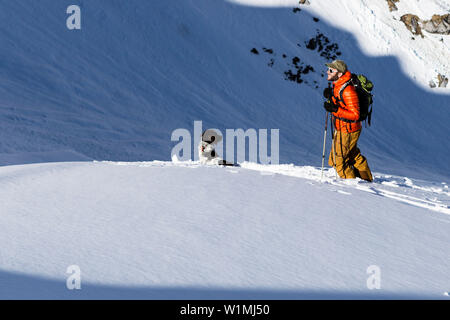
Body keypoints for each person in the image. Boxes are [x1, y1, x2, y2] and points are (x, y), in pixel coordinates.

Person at [323, 59, 373, 182]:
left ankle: (354, 189)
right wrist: (331, 96)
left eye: (331, 70)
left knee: (339, 163)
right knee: (349, 156)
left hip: (348, 131)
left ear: (339, 73)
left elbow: (355, 115)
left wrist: (335, 110)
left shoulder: (348, 91)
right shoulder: (339, 84)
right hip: (343, 128)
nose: (327, 72)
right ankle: (366, 179)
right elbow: (342, 103)